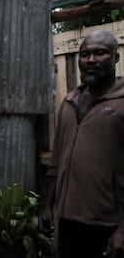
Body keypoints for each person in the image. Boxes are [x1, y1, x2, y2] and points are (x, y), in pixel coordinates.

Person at [40, 30, 124, 258]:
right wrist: (48, 207)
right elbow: (56, 162)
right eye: (85, 54)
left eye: (100, 53)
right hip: (68, 221)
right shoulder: (69, 103)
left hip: (108, 225)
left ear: (116, 57)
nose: (91, 60)